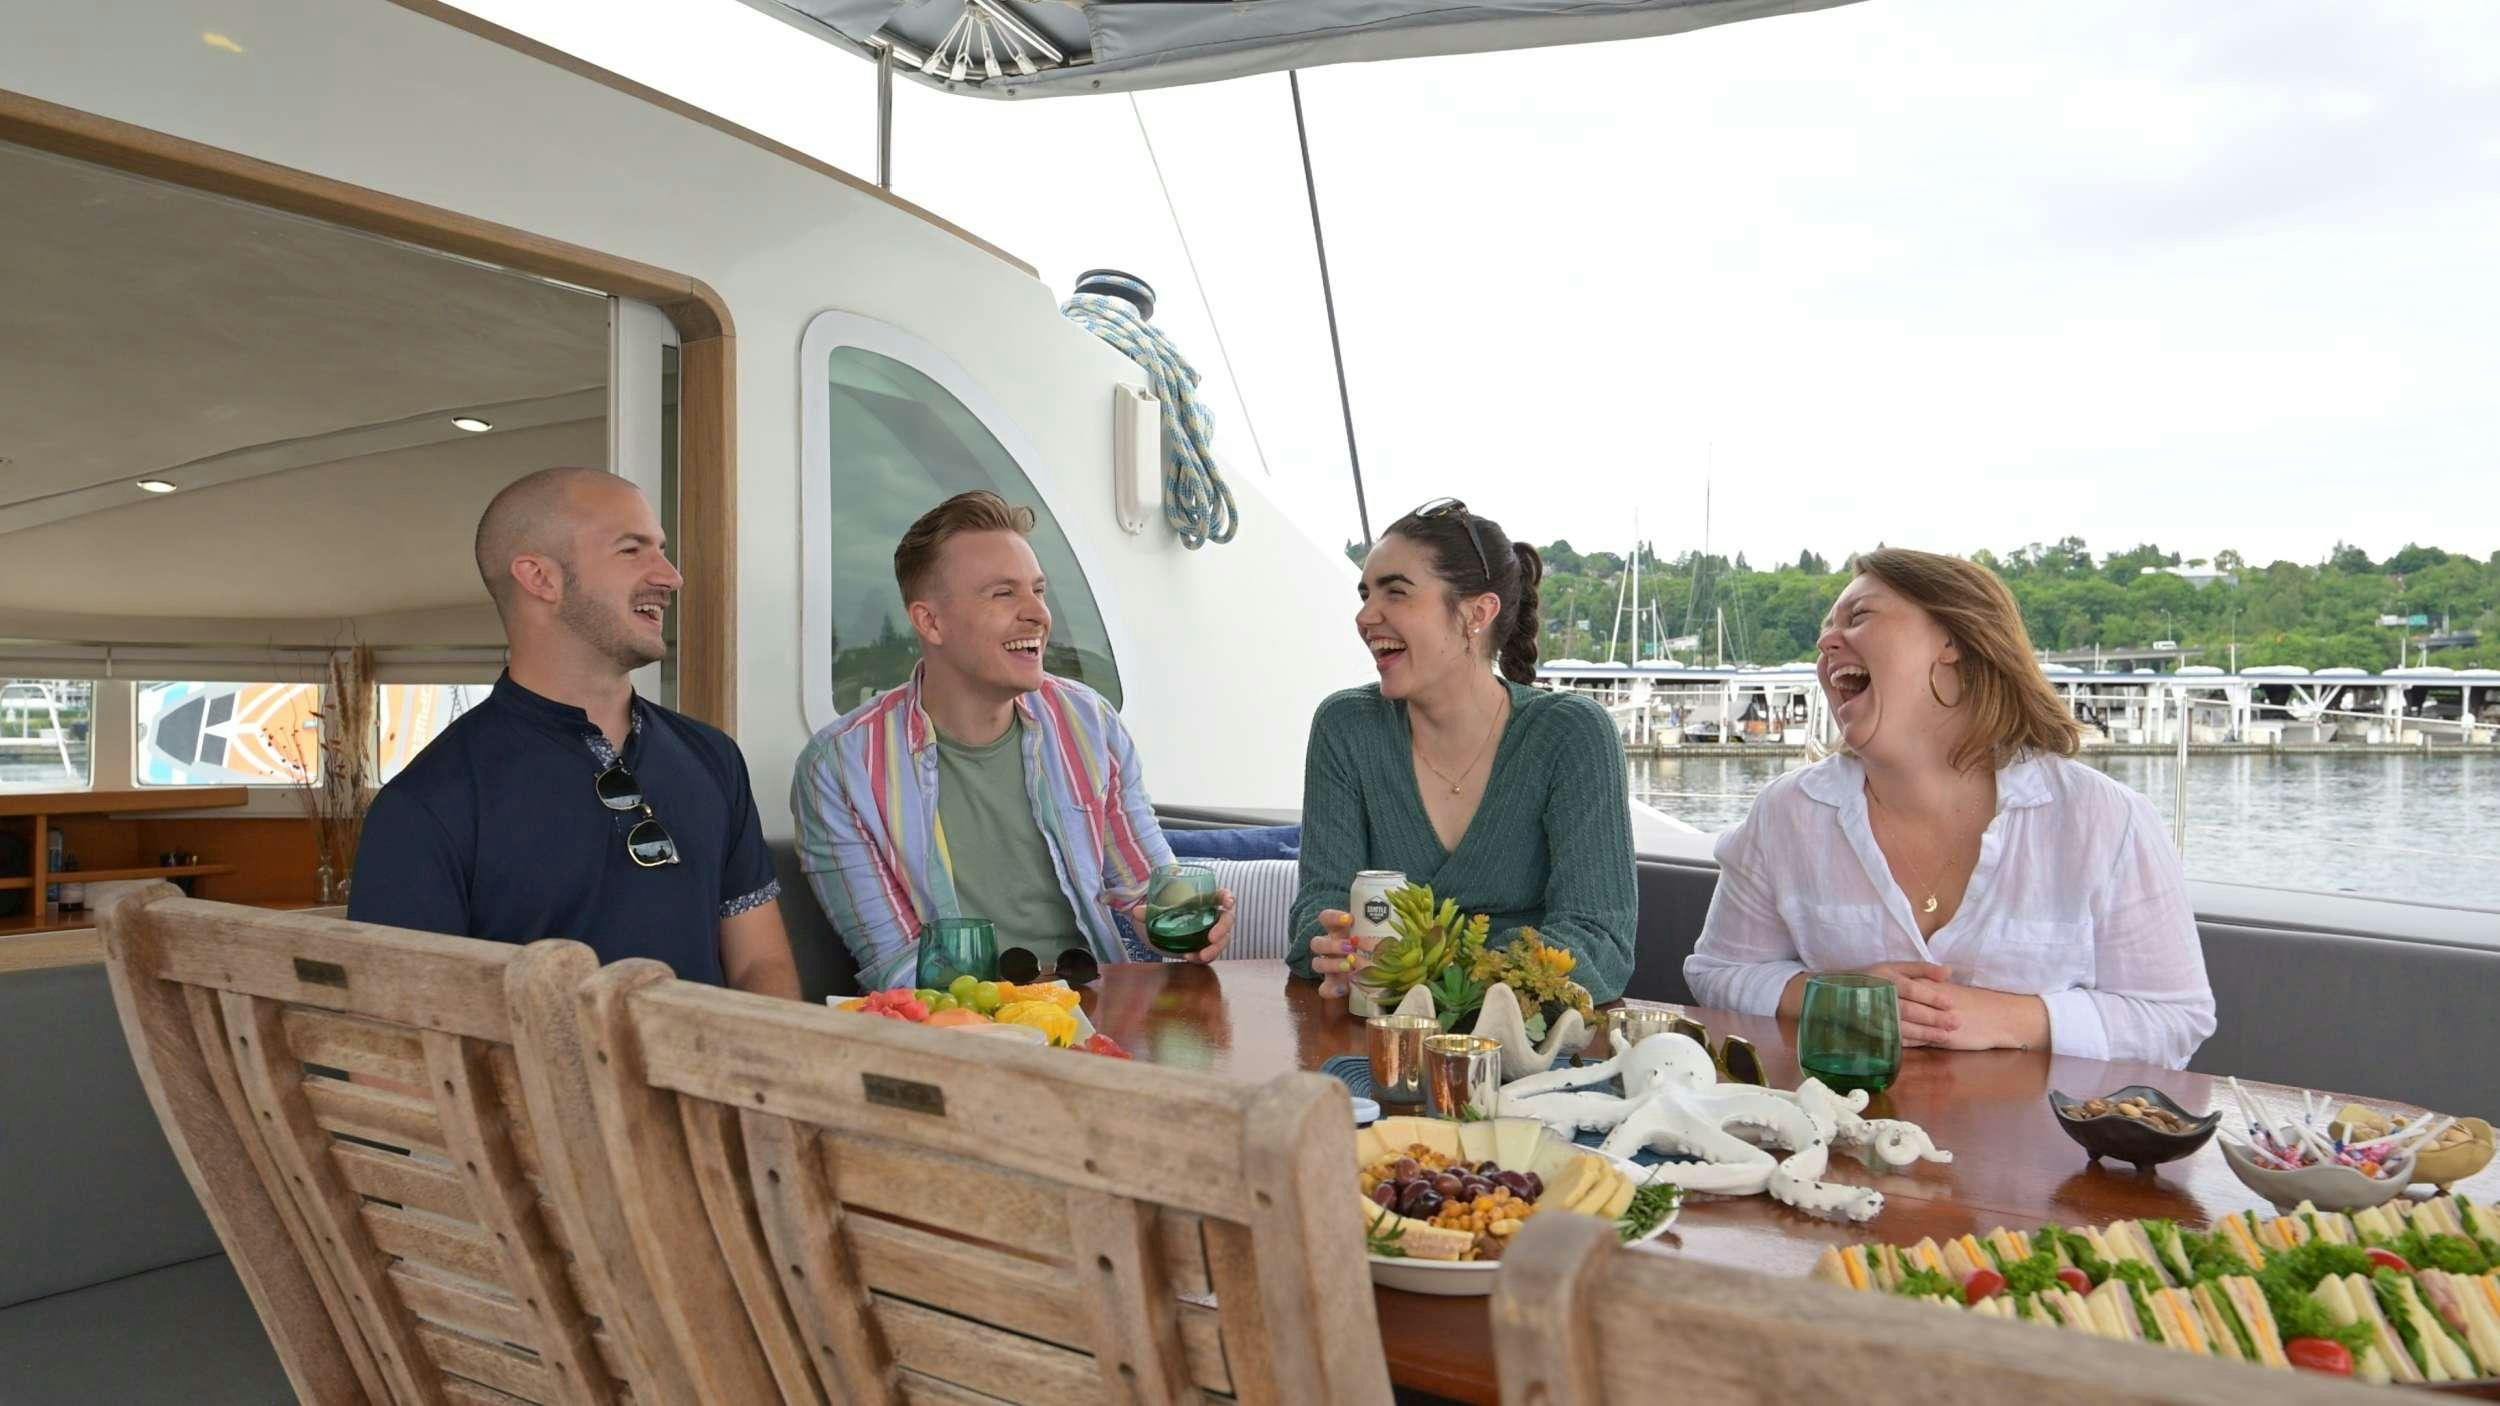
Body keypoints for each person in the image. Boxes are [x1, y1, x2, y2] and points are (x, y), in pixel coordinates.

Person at [1684, 549, 2214, 1069]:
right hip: (1833, 1133)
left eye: (1859, 616)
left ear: (1953, 641)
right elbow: (1719, 971)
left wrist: (2009, 1019)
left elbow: (2174, 1019)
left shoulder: (2105, 820)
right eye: (1826, 630)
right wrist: (1832, 995)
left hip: (2040, 1151)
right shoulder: (1788, 812)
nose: (1824, 642)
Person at [350, 467, 800, 997]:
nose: (671, 576)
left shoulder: (713, 757)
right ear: (540, 578)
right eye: (632, 550)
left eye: (661, 549)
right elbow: (398, 1044)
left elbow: (761, 965)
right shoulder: (427, 804)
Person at [792, 491, 1234, 991]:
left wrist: (1192, 921)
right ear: (929, 621)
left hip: (1099, 1010)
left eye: (1039, 591)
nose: (1038, 614)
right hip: (961, 1032)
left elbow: (1145, 890)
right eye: (1003, 594)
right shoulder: (837, 768)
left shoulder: (1089, 721)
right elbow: (896, 965)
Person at [1291, 499, 1637, 1004]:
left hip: (1532, 1053)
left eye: (1396, 592)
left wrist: (1427, 976)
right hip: (1372, 1036)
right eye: (1365, 594)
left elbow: (1600, 945)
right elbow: (1316, 911)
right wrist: (1331, 942)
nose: (1365, 616)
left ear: (1478, 612)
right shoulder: (1345, 727)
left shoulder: (1572, 735)